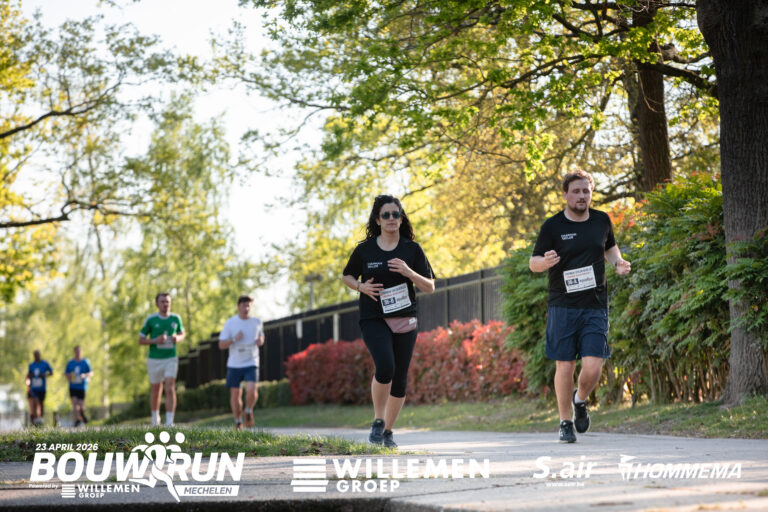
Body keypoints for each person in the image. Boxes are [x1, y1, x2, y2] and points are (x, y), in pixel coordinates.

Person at [529, 169, 631, 443]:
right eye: (576, 191)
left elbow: (609, 248)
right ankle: (565, 422)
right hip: (562, 305)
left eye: (586, 191)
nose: (582, 196)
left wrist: (618, 263)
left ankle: (580, 399)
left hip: (595, 304)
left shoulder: (601, 220)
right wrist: (545, 262)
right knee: (565, 365)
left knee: (594, 366)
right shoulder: (552, 226)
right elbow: (533, 263)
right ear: (565, 194)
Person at [342, 194, 435, 448]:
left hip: (405, 318)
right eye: (386, 215)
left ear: (401, 218)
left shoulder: (412, 249)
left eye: (396, 214)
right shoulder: (365, 250)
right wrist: (361, 287)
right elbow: (346, 276)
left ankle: (388, 432)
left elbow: (429, 287)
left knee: (400, 378)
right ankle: (378, 420)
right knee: (385, 366)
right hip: (374, 317)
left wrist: (408, 271)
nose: (392, 218)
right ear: (378, 220)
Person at [138, 292, 186, 426]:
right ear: (157, 304)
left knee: (170, 387)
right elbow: (141, 340)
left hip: (171, 358)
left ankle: (170, 422)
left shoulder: (176, 318)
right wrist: (155, 340)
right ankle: (155, 419)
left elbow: (182, 333)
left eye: (168, 302)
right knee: (156, 389)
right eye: (163, 302)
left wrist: (178, 338)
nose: (165, 304)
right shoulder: (151, 320)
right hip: (154, 359)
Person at [218, 295, 265, 430]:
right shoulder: (230, 323)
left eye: (249, 306)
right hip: (235, 364)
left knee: (252, 390)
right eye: (244, 305)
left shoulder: (257, 322)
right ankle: (238, 421)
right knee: (235, 394)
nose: (246, 308)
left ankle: (248, 410)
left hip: (251, 361)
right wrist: (234, 339)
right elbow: (221, 345)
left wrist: (261, 340)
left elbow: (261, 335)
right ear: (238, 306)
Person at [65, 345, 93, 427]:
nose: (78, 353)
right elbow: (66, 374)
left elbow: (91, 373)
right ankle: (77, 421)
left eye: (79, 351)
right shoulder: (70, 363)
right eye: (76, 351)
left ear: (81, 352)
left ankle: (82, 416)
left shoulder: (85, 362)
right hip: (73, 386)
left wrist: (85, 375)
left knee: (81, 405)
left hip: (82, 386)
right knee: (74, 403)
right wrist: (69, 376)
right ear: (74, 352)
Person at [27, 350, 53, 426]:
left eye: (38, 355)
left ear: (40, 355)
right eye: (35, 355)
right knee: (35, 402)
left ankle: (41, 418)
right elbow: (28, 375)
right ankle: (36, 420)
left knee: (41, 403)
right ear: (33, 356)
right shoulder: (31, 365)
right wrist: (30, 376)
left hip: (42, 388)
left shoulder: (45, 364)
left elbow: (51, 372)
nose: (36, 356)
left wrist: (44, 375)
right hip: (34, 388)